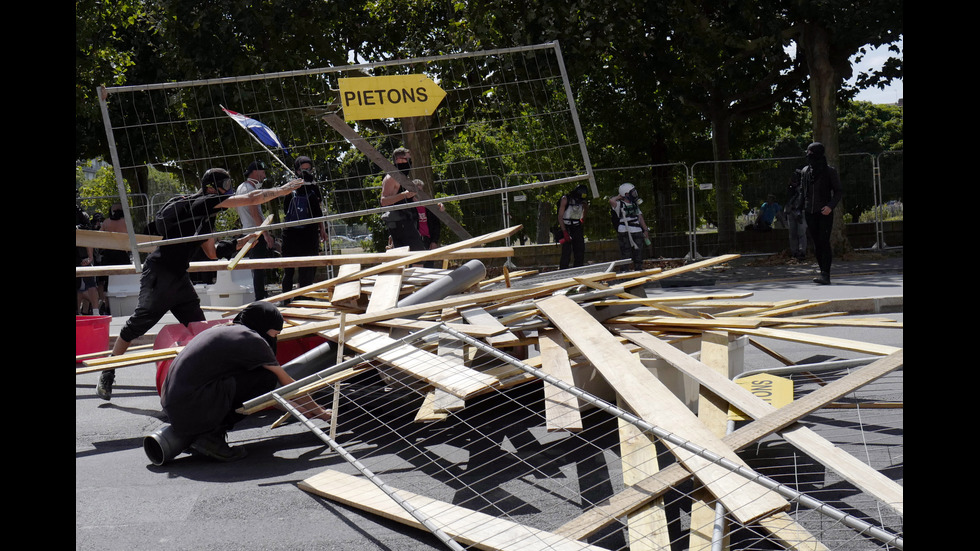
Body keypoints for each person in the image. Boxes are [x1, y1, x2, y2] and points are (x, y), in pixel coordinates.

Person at [98, 168, 303, 400]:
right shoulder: (200, 203)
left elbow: (212, 253)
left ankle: (204, 381)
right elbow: (251, 198)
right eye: (224, 183)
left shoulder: (205, 216)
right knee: (137, 325)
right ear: (211, 187)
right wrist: (282, 190)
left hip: (179, 278)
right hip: (160, 275)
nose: (228, 188)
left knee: (198, 328)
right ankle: (108, 371)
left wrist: (241, 242)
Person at [160, 302, 331, 462]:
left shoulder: (227, 330)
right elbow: (286, 384)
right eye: (275, 333)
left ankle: (200, 432)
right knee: (266, 377)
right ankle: (209, 436)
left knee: (258, 378)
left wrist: (303, 411)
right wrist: (322, 413)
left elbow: (268, 396)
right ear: (264, 325)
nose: (275, 338)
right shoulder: (252, 339)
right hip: (189, 407)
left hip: (175, 405)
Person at [280, 156, 329, 299]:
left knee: (307, 268)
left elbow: (318, 212)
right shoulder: (290, 188)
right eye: (303, 170)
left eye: (308, 169)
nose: (306, 172)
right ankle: (286, 300)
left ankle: (303, 298)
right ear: (296, 171)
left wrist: (322, 229)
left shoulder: (313, 187)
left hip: (309, 233)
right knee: (288, 270)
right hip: (292, 234)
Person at [800, 142, 843, 285]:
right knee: (816, 244)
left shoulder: (829, 171)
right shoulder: (805, 171)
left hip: (824, 212)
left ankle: (826, 274)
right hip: (809, 212)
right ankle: (821, 271)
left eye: (811, 153)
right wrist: (800, 208)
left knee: (824, 242)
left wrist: (830, 206)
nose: (808, 156)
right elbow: (803, 192)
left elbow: (838, 191)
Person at [235, 161, 278, 300]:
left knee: (255, 267)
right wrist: (265, 234)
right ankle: (260, 298)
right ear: (255, 172)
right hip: (255, 233)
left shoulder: (240, 187)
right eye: (263, 172)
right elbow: (255, 213)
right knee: (259, 267)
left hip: (246, 231)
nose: (264, 176)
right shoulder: (252, 190)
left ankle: (259, 296)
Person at [380, 147, 425, 252]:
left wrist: (435, 206)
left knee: (417, 255)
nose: (410, 162)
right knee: (414, 256)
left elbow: (410, 199)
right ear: (399, 160)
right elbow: (384, 201)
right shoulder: (391, 178)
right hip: (399, 223)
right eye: (408, 159)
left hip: (408, 220)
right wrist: (403, 195)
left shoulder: (404, 177)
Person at [97, 202, 133, 315]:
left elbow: (100, 236)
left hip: (109, 254)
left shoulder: (106, 222)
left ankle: (108, 305)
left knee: (107, 281)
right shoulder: (126, 222)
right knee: (123, 278)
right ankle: (125, 302)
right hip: (122, 254)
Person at [610, 183, 651, 271]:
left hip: (636, 231)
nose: (635, 194)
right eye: (632, 193)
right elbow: (611, 201)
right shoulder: (619, 204)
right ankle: (625, 271)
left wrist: (645, 230)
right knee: (626, 253)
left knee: (638, 253)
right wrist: (618, 197)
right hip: (624, 231)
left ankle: (638, 270)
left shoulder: (635, 204)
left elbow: (640, 217)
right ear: (626, 194)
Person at [557, 184, 590, 269]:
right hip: (566, 226)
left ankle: (578, 269)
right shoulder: (565, 199)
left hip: (577, 226)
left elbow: (583, 215)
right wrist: (564, 231)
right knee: (566, 251)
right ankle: (563, 270)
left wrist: (585, 211)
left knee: (580, 250)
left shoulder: (582, 202)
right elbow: (560, 216)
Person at [784, 169, 807, 262]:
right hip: (791, 212)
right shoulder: (790, 187)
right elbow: (788, 199)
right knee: (792, 233)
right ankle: (794, 252)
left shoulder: (803, 187)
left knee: (801, 232)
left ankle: (802, 252)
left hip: (801, 211)